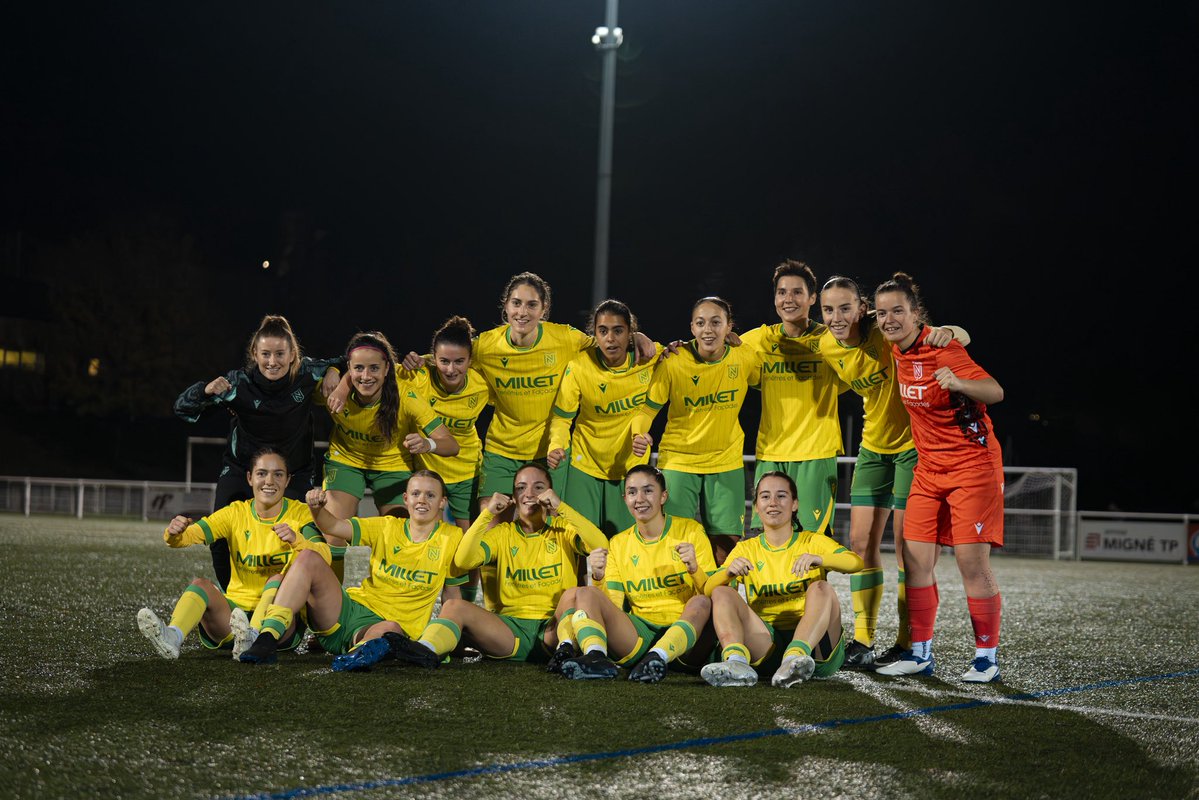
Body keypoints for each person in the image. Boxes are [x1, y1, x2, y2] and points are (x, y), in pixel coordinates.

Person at [818, 276, 969, 669]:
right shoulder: (825, 345)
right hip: (872, 449)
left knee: (908, 551)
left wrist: (952, 332)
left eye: (845, 308)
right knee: (860, 543)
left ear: (862, 308)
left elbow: (951, 336)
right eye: (828, 310)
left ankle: (907, 642)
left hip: (913, 450)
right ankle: (863, 640)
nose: (836, 317)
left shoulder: (884, 332)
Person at [870, 272, 1005, 683]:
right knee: (915, 560)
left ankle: (986, 658)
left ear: (916, 314)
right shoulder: (893, 347)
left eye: (898, 311)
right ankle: (920, 653)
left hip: (972, 467)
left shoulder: (942, 348)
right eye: (882, 313)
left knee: (971, 562)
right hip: (929, 470)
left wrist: (959, 381)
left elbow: (995, 391)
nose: (889, 319)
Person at [361, 463, 609, 669]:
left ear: (550, 493)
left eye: (538, 487)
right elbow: (464, 560)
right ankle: (425, 650)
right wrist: (487, 514)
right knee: (454, 606)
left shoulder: (563, 530)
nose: (529, 493)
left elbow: (600, 544)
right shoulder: (502, 534)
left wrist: (561, 507)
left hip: (552, 631)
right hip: (508, 633)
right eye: (521, 488)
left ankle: (581, 654)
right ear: (514, 497)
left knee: (574, 595)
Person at [173, 314, 343, 591]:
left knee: (304, 537)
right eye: (265, 354)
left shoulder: (308, 373)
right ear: (255, 354)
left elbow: (351, 360)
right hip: (242, 470)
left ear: (292, 355)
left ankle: (289, 599)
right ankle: (233, 599)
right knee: (221, 535)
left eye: (280, 354)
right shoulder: (238, 384)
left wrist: (335, 371)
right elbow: (182, 409)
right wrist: (205, 390)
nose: (272, 361)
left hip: (294, 473)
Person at [237, 470, 468, 666]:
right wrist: (316, 508)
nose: (422, 500)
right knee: (308, 557)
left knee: (390, 629)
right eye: (416, 494)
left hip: (384, 629)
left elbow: (452, 597)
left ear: (442, 502)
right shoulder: (386, 526)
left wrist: (447, 640)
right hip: (346, 612)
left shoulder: (452, 538)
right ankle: (267, 638)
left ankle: (357, 656)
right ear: (406, 499)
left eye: (430, 495)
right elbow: (334, 526)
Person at [136, 448, 330, 660]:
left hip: (276, 623)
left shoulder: (301, 513)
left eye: (278, 474)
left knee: (277, 579)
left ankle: (253, 637)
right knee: (200, 585)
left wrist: (297, 540)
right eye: (261, 473)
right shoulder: (235, 513)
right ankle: (173, 636)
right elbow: (188, 536)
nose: (269, 481)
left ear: (287, 480)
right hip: (234, 619)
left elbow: (324, 556)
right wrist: (175, 533)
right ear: (249, 478)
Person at [548, 464, 717, 682]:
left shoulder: (690, 530)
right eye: (632, 492)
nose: (639, 499)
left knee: (701, 602)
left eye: (648, 490)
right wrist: (598, 578)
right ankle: (596, 657)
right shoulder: (618, 543)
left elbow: (713, 594)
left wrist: (694, 569)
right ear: (625, 498)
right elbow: (614, 607)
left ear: (663, 496)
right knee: (586, 592)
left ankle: (658, 656)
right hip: (638, 638)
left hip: (688, 643)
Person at [700, 472, 864, 688]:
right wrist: (728, 573)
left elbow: (856, 563)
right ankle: (737, 662)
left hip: (814, 652)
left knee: (821, 587)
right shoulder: (746, 549)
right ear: (756, 507)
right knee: (722, 591)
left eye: (781, 496)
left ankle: (795, 655)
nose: (773, 503)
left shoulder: (812, 541)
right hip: (767, 647)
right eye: (765, 496)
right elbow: (709, 590)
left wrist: (821, 559)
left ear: (795, 504)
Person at [630, 296, 762, 563]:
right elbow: (647, 411)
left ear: (729, 326)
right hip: (679, 461)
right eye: (700, 323)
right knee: (674, 545)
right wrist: (638, 433)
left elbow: (768, 382)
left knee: (726, 549)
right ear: (691, 327)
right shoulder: (673, 360)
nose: (707, 330)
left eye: (716, 323)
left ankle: (720, 592)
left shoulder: (744, 357)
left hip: (726, 462)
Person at [738, 260, 845, 535]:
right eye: (782, 292)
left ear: (812, 298)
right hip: (771, 452)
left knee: (811, 539)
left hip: (816, 453)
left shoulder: (830, 340)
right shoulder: (759, 340)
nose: (789, 299)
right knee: (769, 538)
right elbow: (716, 342)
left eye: (797, 292)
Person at [547, 299, 662, 537]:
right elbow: (562, 418)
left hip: (629, 469)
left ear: (630, 333)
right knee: (578, 541)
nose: (610, 339)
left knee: (624, 543)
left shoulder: (650, 358)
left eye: (618, 331)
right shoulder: (579, 367)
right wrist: (556, 444)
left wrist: (730, 340)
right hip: (584, 465)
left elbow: (686, 351)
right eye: (603, 331)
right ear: (595, 334)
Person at [400, 316, 492, 603]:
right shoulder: (419, 377)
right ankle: (418, 601)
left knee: (468, 545)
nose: (451, 369)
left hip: (467, 470)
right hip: (429, 473)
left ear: (470, 361)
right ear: (434, 359)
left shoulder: (482, 384)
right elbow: (377, 368)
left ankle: (465, 605)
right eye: (443, 361)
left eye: (459, 362)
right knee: (427, 541)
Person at [320, 331, 458, 520]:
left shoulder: (406, 397)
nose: (366, 376)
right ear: (349, 369)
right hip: (345, 460)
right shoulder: (330, 390)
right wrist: (332, 371)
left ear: (387, 369)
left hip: (393, 465)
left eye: (374, 368)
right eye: (358, 368)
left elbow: (451, 445)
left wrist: (427, 444)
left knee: (400, 530)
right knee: (332, 528)